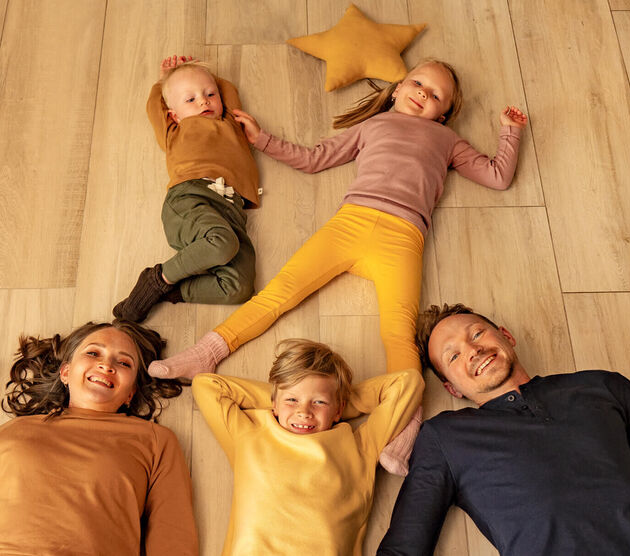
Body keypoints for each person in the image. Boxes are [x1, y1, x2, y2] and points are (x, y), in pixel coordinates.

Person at [150, 58, 529, 474]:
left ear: (445, 112)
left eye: (436, 95)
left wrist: (510, 132)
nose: (424, 93)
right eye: (418, 83)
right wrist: (262, 140)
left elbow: (497, 176)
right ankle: (208, 351)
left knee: (400, 333)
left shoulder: (448, 141)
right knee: (279, 292)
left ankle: (404, 426)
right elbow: (315, 158)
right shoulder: (373, 126)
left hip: (402, 239)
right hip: (350, 223)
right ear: (399, 87)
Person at [376, 303, 630, 556]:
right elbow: (404, 549)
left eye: (476, 334)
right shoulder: (446, 438)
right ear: (452, 388)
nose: (472, 350)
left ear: (505, 336)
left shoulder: (602, 388)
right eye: (453, 356)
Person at [0, 321, 197, 556]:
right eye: (93, 353)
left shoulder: (154, 440)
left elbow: (173, 540)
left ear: (130, 393)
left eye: (123, 362)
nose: (106, 364)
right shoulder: (16, 431)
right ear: (65, 373)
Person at [192, 339, 423, 555]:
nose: (304, 411)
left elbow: (408, 382)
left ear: (338, 409)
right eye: (292, 400)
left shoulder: (361, 446)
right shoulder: (247, 434)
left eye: (318, 402)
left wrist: (335, 404)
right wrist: (286, 399)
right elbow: (206, 385)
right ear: (274, 403)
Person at [112, 55, 261, 322]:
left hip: (231, 210)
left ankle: (168, 290)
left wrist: (198, 76)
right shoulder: (175, 130)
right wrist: (165, 79)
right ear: (174, 114)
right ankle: (157, 279)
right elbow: (153, 106)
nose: (204, 101)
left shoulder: (232, 124)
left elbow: (227, 89)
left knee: (239, 289)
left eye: (209, 94)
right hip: (190, 197)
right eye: (190, 99)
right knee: (222, 243)